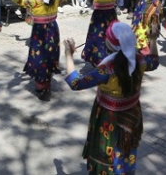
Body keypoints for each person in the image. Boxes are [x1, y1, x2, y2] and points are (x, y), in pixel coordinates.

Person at [64, 21, 159, 175]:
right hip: (131, 115)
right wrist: (153, 39)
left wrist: (68, 55)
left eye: (107, 37)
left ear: (112, 44)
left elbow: (75, 83)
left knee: (106, 152)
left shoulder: (105, 70)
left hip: (108, 119)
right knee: (125, 151)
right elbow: (154, 62)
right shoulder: (139, 60)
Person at [12, 0, 70, 101]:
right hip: (53, 29)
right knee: (50, 56)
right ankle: (46, 83)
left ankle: (42, 86)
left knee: (39, 57)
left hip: (39, 31)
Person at [75, 0, 118, 65]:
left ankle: (99, 60)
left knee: (98, 37)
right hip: (111, 14)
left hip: (99, 16)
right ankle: (113, 57)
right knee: (111, 35)